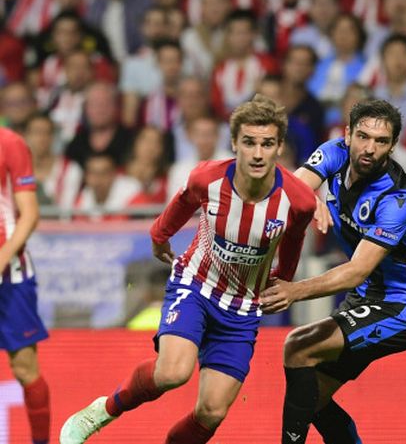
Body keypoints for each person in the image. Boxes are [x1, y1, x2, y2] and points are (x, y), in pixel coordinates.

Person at [60, 94, 316, 443]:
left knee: (211, 411)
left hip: (242, 308)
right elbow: (178, 207)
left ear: (279, 146)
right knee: (172, 373)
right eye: (250, 143)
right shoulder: (207, 178)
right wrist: (159, 238)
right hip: (196, 284)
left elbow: (293, 242)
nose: (258, 154)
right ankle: (103, 410)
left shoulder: (298, 200)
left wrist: (284, 280)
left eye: (267, 144)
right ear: (235, 143)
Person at [260, 99, 406, 444]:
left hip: (405, 303)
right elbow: (291, 189)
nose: (369, 148)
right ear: (347, 135)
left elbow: (357, 270)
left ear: (393, 146)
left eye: (381, 141)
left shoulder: (397, 199)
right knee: (311, 399)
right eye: (363, 136)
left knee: (297, 348)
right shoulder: (334, 152)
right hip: (370, 293)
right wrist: (310, 199)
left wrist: (293, 290)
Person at [0, 127, 51, 444]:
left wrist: (2, 258)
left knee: (25, 368)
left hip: (11, 275)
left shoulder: (10, 144)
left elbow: (29, 214)